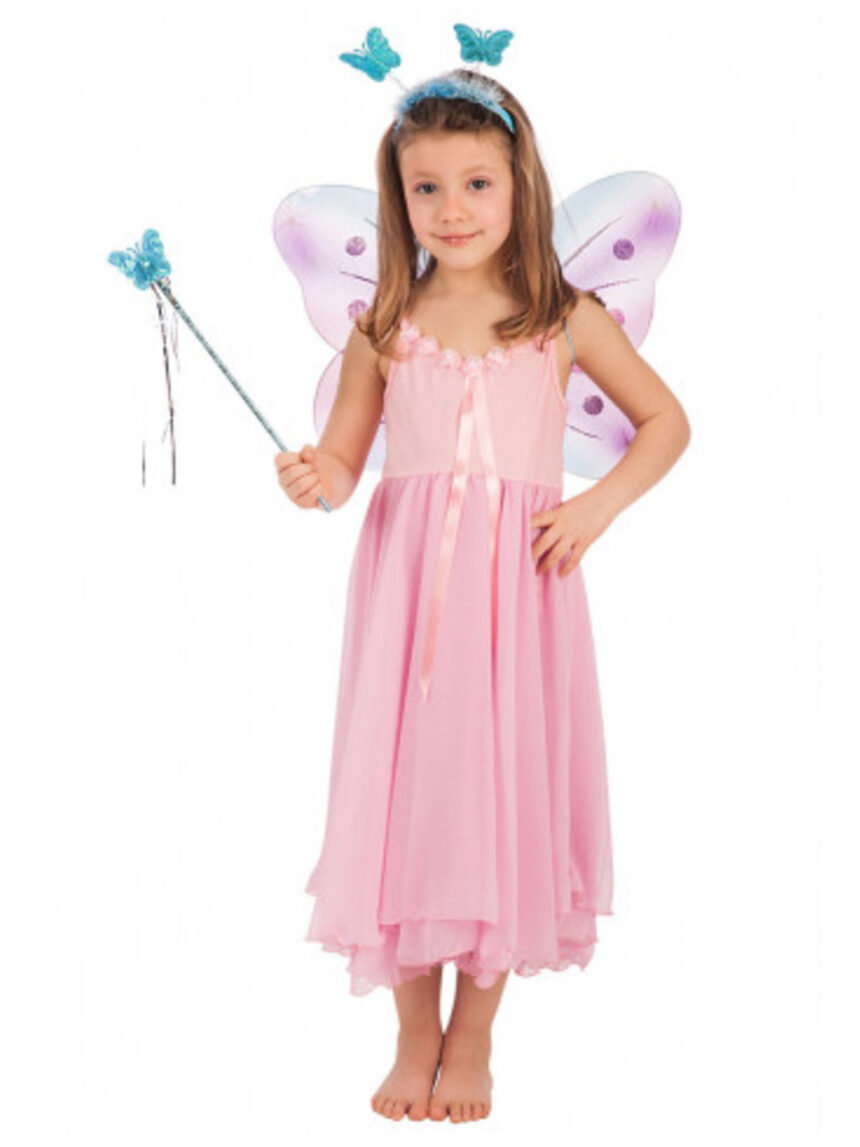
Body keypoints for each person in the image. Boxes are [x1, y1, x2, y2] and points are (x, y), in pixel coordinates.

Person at [274, 67, 691, 1124]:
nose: (451, 209)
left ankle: (473, 1038)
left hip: (519, 593)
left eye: (475, 184)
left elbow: (666, 423)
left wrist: (593, 509)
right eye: (426, 189)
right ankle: (414, 1030)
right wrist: (316, 477)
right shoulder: (385, 321)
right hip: (408, 597)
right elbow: (345, 459)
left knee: (503, 789)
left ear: (519, 186)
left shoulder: (562, 316)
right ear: (398, 196)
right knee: (404, 794)